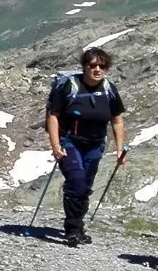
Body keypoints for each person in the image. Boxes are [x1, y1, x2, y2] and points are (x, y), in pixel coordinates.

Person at [43, 47, 127, 247]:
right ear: (84, 67)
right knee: (77, 181)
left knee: (85, 186)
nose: (97, 69)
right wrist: (55, 145)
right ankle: (72, 228)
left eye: (102, 66)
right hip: (70, 142)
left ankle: (78, 226)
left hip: (96, 145)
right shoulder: (69, 87)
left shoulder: (109, 89)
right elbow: (53, 115)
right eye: (92, 65)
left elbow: (117, 120)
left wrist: (119, 149)